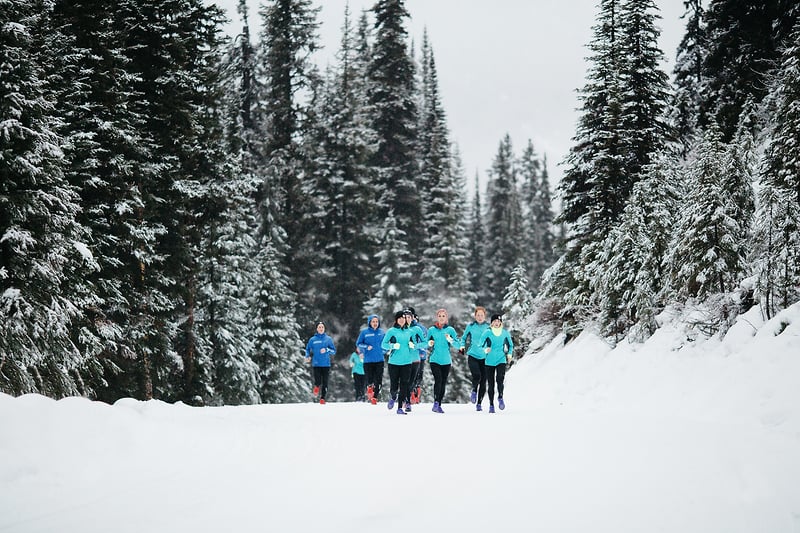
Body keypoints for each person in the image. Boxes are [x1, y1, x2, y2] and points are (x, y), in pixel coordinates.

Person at [380, 310, 419, 415]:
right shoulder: (391, 331)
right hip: (394, 362)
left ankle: (400, 408)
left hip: (407, 362)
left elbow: (416, 344)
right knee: (394, 384)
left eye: (403, 318)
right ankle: (393, 396)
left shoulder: (409, 332)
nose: (402, 320)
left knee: (404, 385)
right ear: (396, 320)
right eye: (400, 318)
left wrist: (413, 345)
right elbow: (383, 344)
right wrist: (392, 346)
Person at [477, 314, 513, 413]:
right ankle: (491, 405)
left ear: (500, 323)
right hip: (489, 362)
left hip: (501, 360)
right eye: (495, 321)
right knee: (491, 383)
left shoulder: (505, 333)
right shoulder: (487, 332)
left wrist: (509, 355)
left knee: (500, 380)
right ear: (492, 322)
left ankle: (500, 397)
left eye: (498, 321)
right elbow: (479, 345)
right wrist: (485, 350)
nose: (497, 323)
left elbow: (510, 345)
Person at [426, 308, 459, 413]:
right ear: (437, 317)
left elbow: (459, 345)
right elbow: (424, 343)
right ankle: (436, 402)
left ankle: (439, 404)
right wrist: (429, 343)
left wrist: (450, 339)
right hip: (434, 359)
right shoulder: (431, 330)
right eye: (439, 316)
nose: (441, 318)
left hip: (446, 361)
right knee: (438, 380)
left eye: (443, 316)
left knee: (443, 383)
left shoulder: (450, 330)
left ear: (446, 318)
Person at [460, 306, 490, 411]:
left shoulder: (489, 327)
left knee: (483, 381)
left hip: (485, 358)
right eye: (478, 315)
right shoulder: (471, 326)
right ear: (475, 316)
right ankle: (474, 391)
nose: (480, 317)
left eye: (482, 315)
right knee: (477, 375)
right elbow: (463, 338)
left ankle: (479, 403)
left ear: (485, 316)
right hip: (473, 355)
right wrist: (462, 347)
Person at [355, 314, 385, 404]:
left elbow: (387, 344)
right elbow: (358, 343)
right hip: (368, 360)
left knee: (379, 380)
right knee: (370, 379)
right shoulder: (364, 332)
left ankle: (375, 397)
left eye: (376, 321)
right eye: (373, 321)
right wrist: (366, 346)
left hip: (380, 360)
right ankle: (369, 387)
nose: (375, 323)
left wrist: (384, 350)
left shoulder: (382, 332)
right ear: (369, 322)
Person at [305, 321, 336, 404]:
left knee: (325, 382)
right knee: (318, 381)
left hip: (326, 364)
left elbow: (333, 351)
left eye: (322, 327)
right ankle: (316, 386)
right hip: (316, 364)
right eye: (319, 327)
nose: (321, 328)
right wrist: (307, 356)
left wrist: (326, 350)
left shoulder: (328, 339)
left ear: (324, 329)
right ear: (317, 329)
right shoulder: (313, 339)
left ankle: (322, 398)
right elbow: (307, 349)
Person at [405, 307, 427, 404]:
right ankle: (409, 395)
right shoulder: (403, 327)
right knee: (408, 377)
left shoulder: (420, 328)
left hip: (420, 355)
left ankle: (415, 393)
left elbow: (425, 341)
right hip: (408, 356)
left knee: (418, 376)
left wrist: (420, 349)